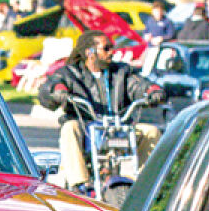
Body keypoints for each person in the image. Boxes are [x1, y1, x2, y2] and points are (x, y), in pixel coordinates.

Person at [39, 31, 166, 192]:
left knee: (151, 132)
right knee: (70, 127)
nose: (112, 52)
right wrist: (57, 91)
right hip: (86, 128)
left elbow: (139, 84)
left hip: (119, 128)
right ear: (89, 52)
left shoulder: (121, 72)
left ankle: (147, 185)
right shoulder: (70, 73)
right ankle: (79, 183)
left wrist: (153, 91)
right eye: (106, 48)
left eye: (112, 47)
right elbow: (51, 86)